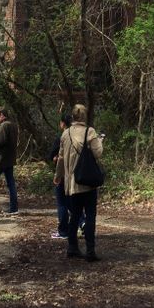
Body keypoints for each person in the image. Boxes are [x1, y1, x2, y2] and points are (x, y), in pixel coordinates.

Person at [54, 103, 104, 261]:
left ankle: (72, 247)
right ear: (85, 116)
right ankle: (90, 251)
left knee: (74, 215)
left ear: (73, 117)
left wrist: (58, 175)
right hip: (87, 182)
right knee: (90, 216)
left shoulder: (65, 134)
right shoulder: (90, 132)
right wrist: (100, 141)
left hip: (71, 184)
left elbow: (61, 158)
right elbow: (98, 153)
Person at [48, 114, 84, 239]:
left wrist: (57, 175)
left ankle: (63, 231)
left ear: (62, 123)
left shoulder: (62, 138)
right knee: (72, 202)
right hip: (76, 175)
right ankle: (83, 222)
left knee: (62, 203)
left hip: (64, 175)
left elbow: (58, 158)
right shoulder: (79, 137)